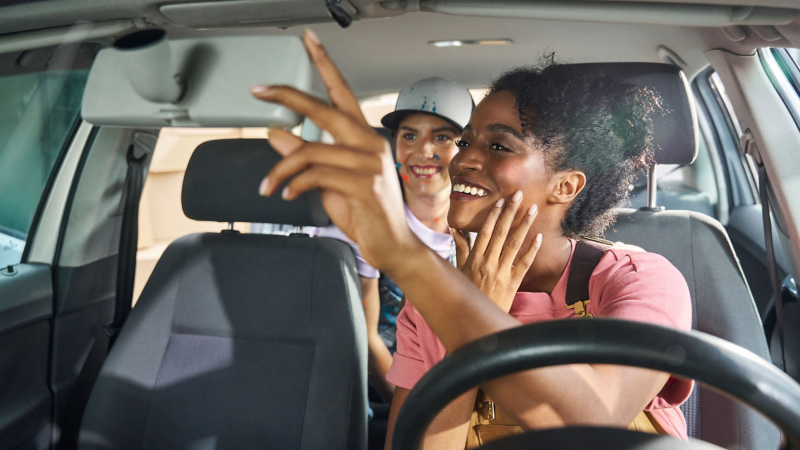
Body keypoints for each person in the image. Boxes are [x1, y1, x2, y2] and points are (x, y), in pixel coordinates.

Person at [252, 29, 692, 449]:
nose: (463, 161)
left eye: (499, 146)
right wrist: (472, 307)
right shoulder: (428, 308)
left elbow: (587, 423)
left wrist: (436, 284)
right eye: (465, 141)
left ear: (566, 185)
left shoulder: (638, 282)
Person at [309, 77, 474, 404]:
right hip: (394, 395)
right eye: (409, 136)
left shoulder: (483, 232)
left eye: (442, 137)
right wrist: (416, 411)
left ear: (466, 148)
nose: (423, 151)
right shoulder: (364, 228)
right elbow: (367, 340)